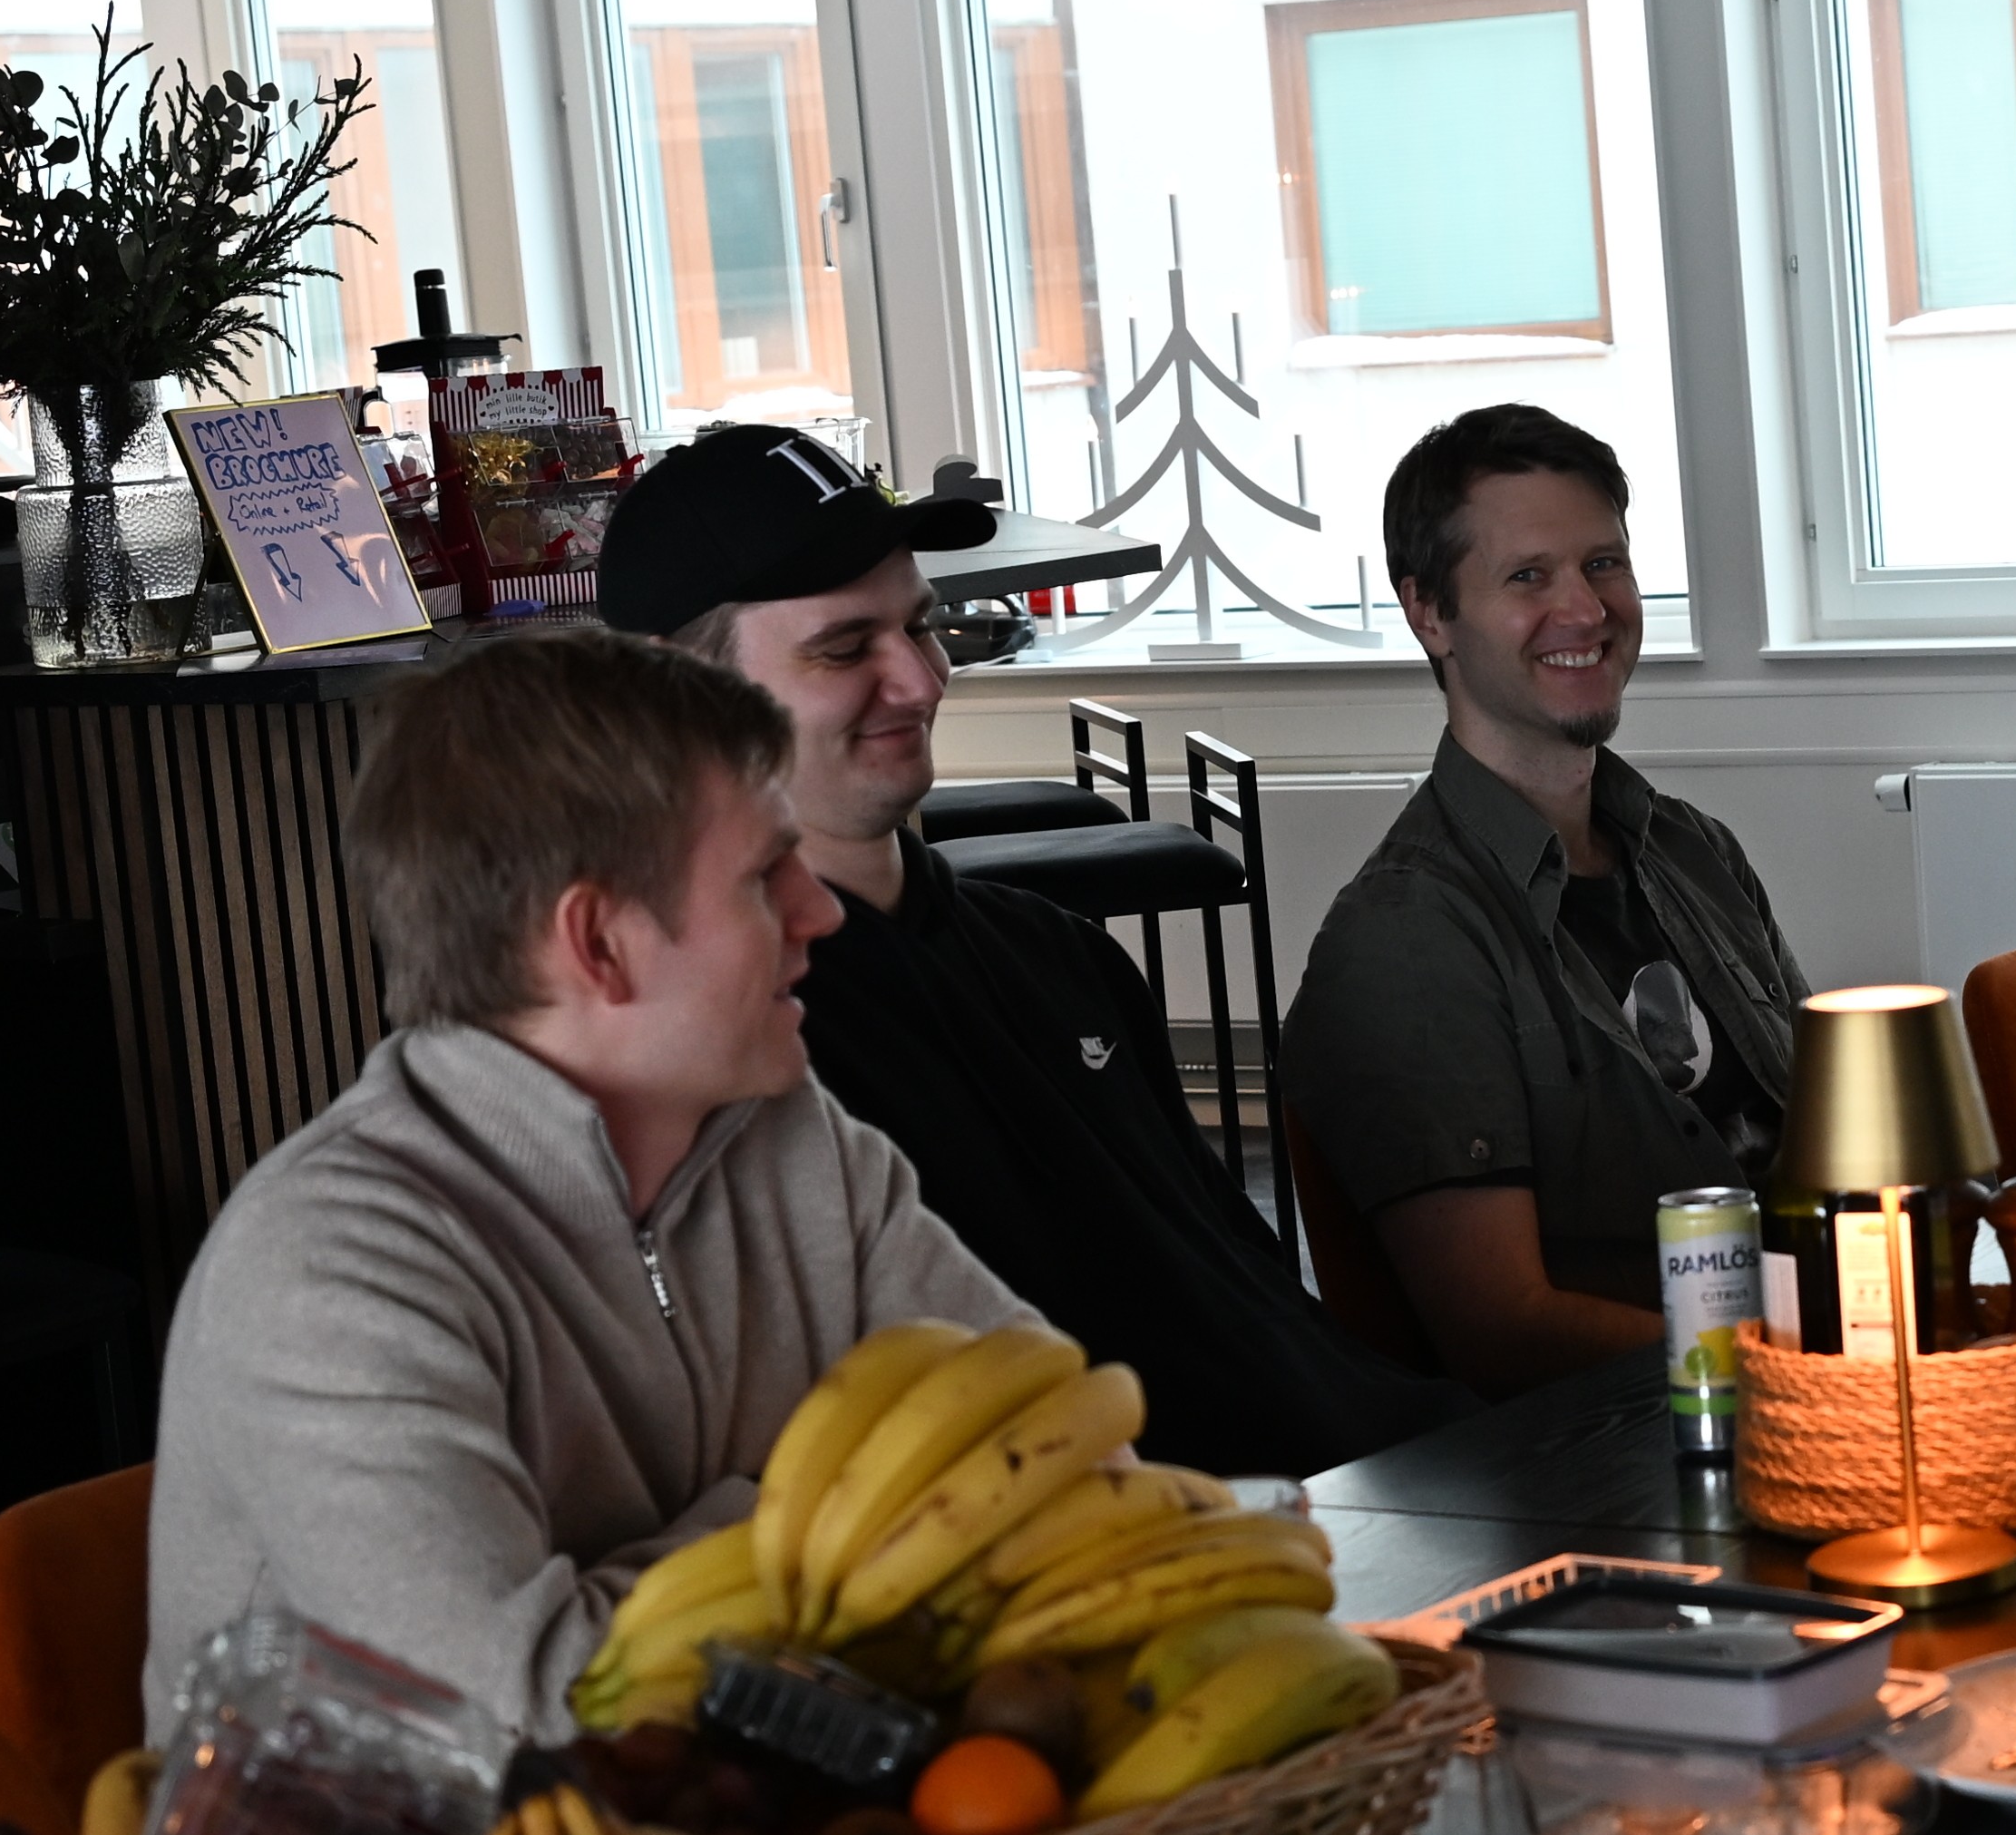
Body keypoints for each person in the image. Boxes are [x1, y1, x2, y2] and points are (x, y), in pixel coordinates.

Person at [141, 622, 1021, 1745]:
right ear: (599, 943)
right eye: (765, 876)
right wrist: (837, 1515)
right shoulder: (327, 1269)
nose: (823, 911)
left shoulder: (794, 1143)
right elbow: (537, 1716)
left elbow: (1053, 1453)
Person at [601, 425, 1466, 1477]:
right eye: (843, 649)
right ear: (664, 696)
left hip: (1395, 1481)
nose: (919, 683)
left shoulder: (1066, 961)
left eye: (922, 628)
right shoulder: (725, 1059)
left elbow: (1256, 1311)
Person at [1281, 406, 1810, 1393]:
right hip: (1618, 1463)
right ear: (1429, 614)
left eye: (1604, 564)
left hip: (1818, 1377)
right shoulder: (1406, 940)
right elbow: (1500, 1329)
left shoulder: (1694, 848)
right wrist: (1790, 1375)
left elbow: (1828, 1137)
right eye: (1529, 577)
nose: (1586, 609)